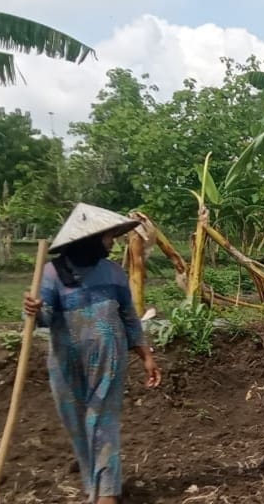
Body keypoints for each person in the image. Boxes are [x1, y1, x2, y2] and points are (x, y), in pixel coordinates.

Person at [22, 203, 162, 504]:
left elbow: (129, 316)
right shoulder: (51, 273)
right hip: (65, 361)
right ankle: (93, 487)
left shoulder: (113, 273)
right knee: (77, 424)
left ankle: (108, 493)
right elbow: (43, 318)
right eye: (108, 237)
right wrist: (33, 311)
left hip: (108, 359)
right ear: (88, 239)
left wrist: (146, 355)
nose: (112, 243)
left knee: (102, 421)